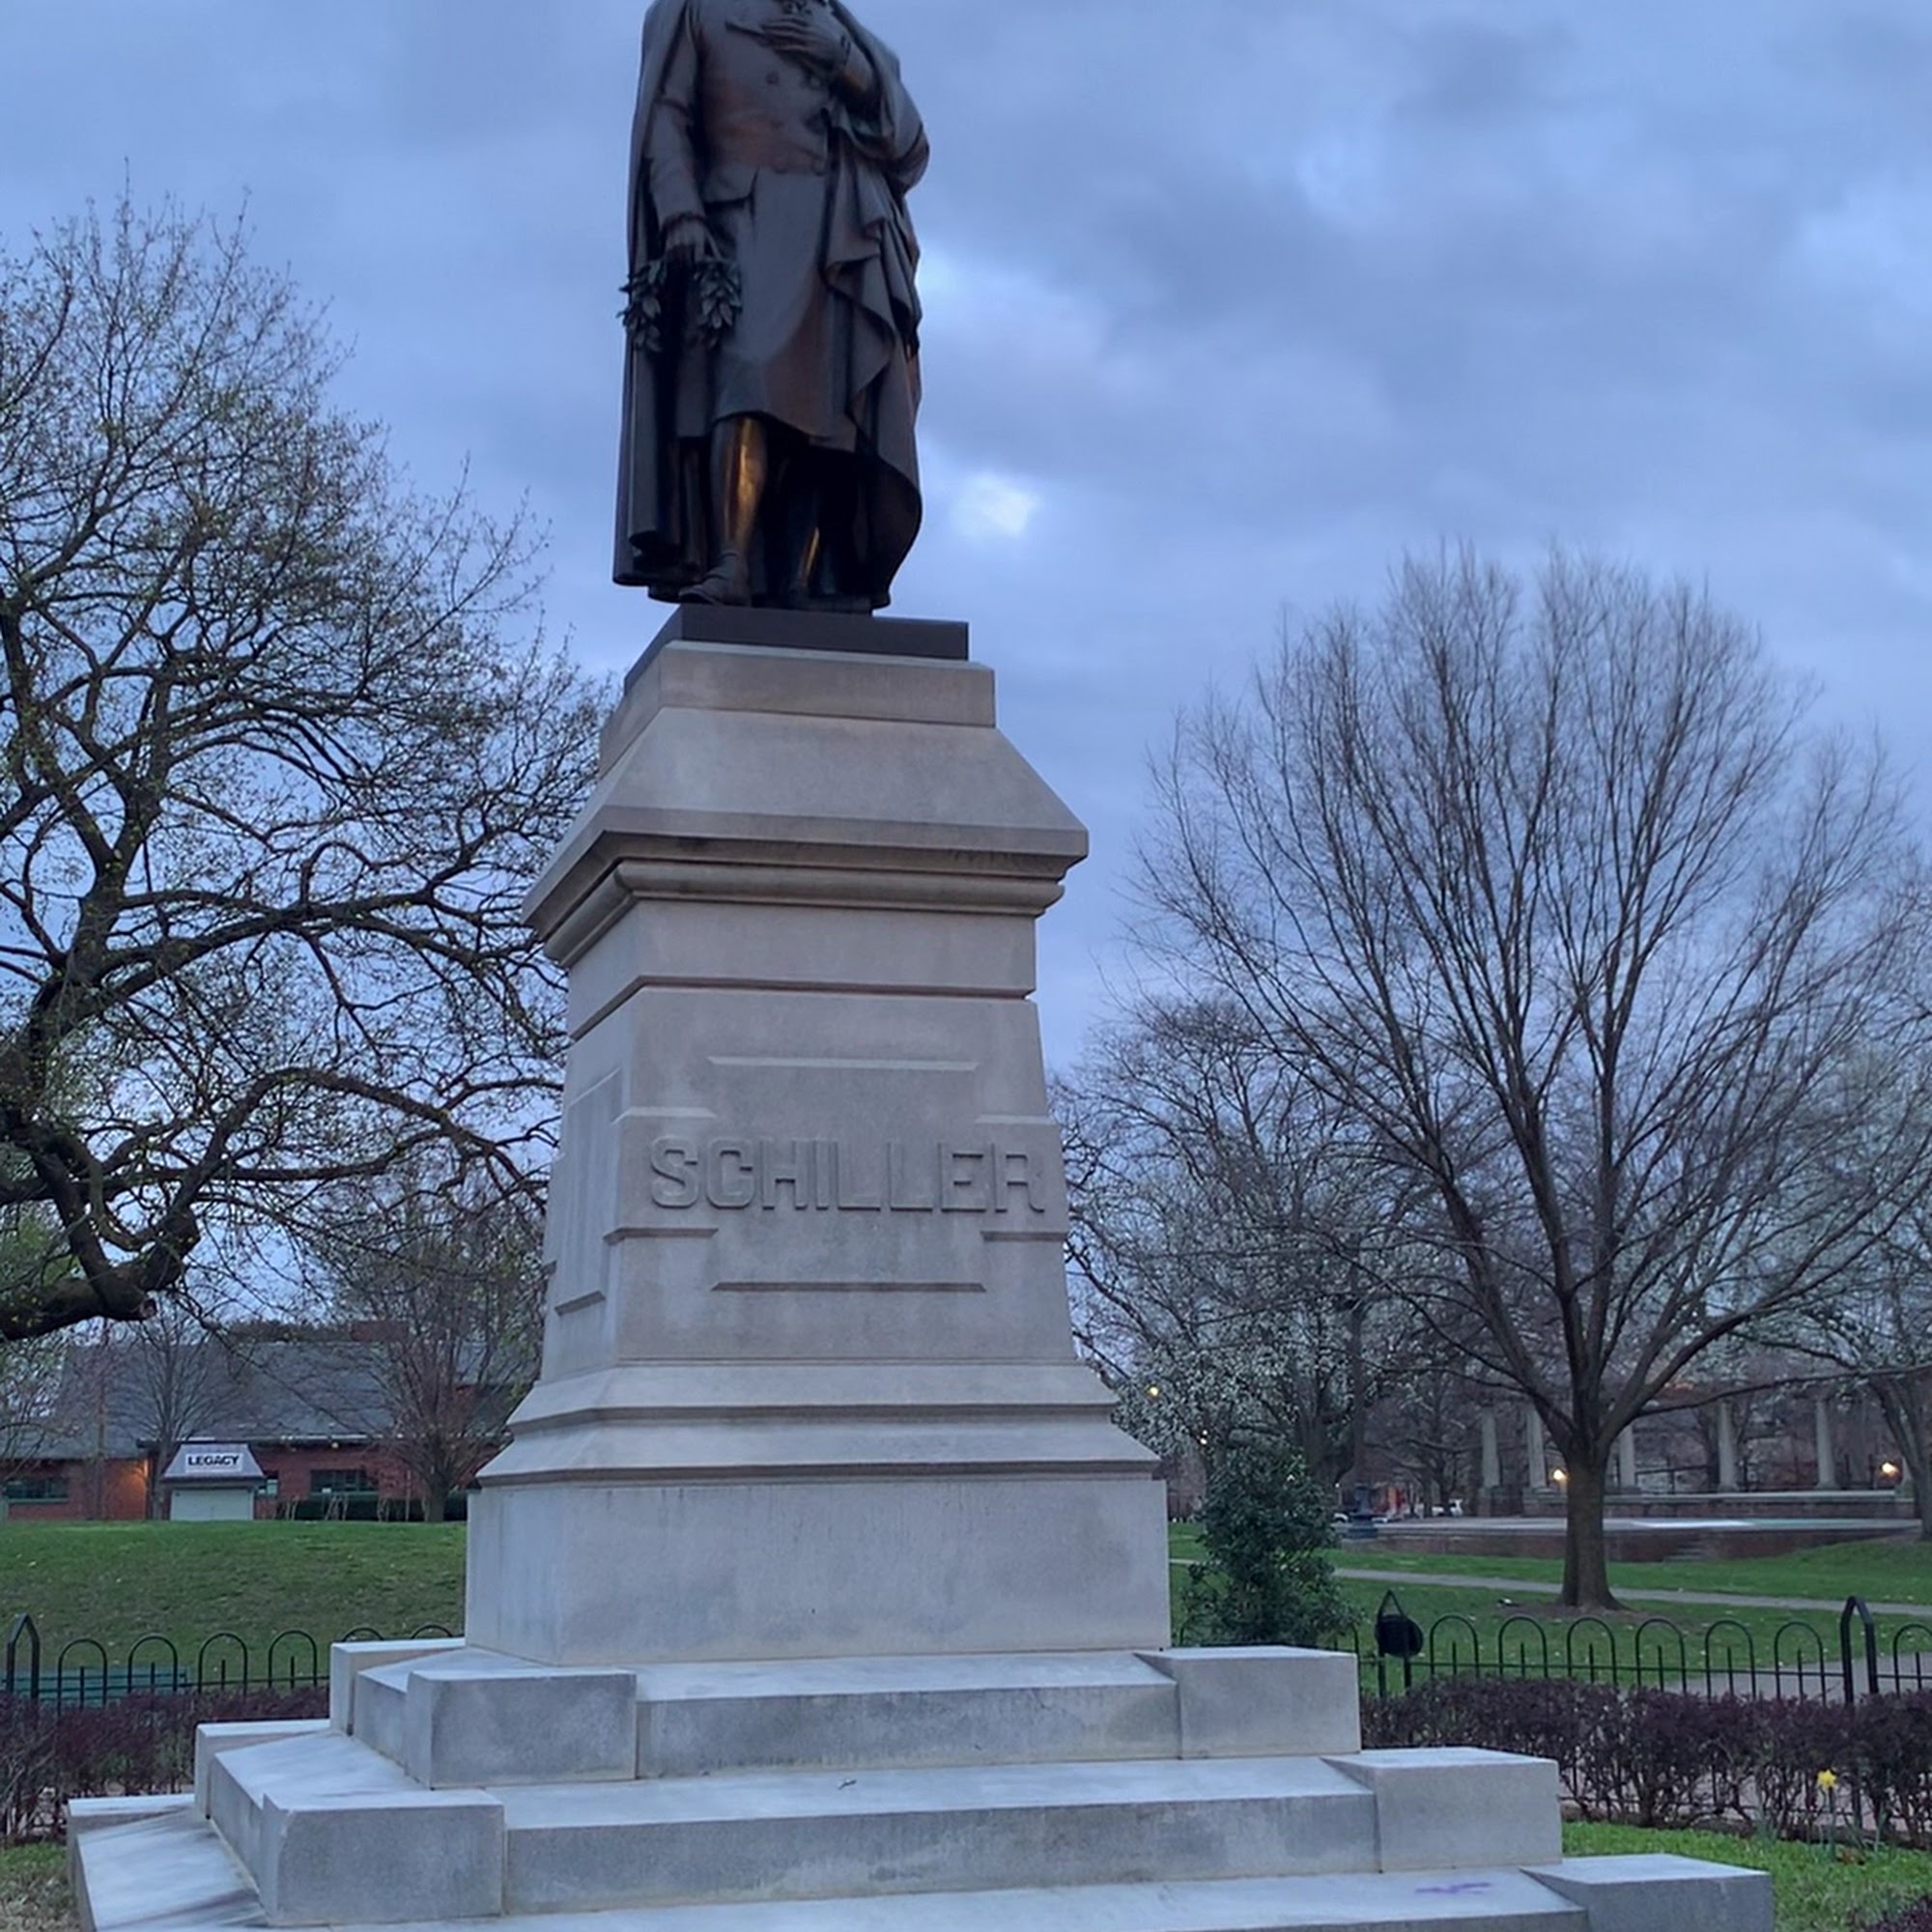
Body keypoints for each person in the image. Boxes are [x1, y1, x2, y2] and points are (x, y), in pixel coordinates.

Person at [613, 0, 928, 611]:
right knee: (749, 379)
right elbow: (667, 116)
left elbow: (909, 148)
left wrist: (844, 64)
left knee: (830, 407)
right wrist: (679, 211)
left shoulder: (844, 31)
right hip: (741, 221)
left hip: (839, 230)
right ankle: (731, 560)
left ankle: (800, 578)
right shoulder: (693, 9)